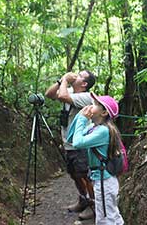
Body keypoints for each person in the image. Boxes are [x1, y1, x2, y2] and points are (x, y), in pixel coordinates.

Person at [45, 70, 96, 220]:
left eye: (80, 75)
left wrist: (66, 79)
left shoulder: (86, 97)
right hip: (69, 143)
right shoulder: (70, 91)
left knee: (86, 176)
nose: (75, 75)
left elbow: (62, 96)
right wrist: (62, 81)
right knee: (74, 175)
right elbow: (49, 94)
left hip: (81, 145)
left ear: (84, 84)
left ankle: (94, 206)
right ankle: (83, 200)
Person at [67, 93, 124, 225]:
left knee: (105, 218)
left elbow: (77, 143)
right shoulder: (94, 128)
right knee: (110, 215)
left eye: (95, 105)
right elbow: (71, 138)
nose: (91, 106)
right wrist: (79, 116)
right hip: (102, 180)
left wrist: (82, 119)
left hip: (105, 181)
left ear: (104, 112)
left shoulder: (103, 131)